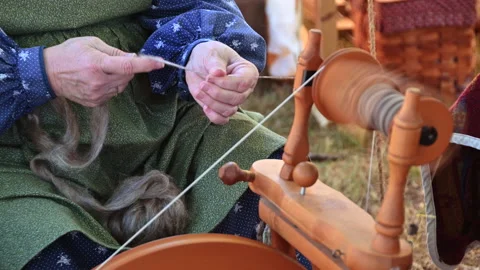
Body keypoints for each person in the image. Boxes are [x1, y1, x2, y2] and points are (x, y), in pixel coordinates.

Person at [0, 1, 306, 269]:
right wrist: (40, 72)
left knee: (282, 198)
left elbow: (191, 4)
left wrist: (202, 48)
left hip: (166, 121)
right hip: (16, 156)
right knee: (42, 247)